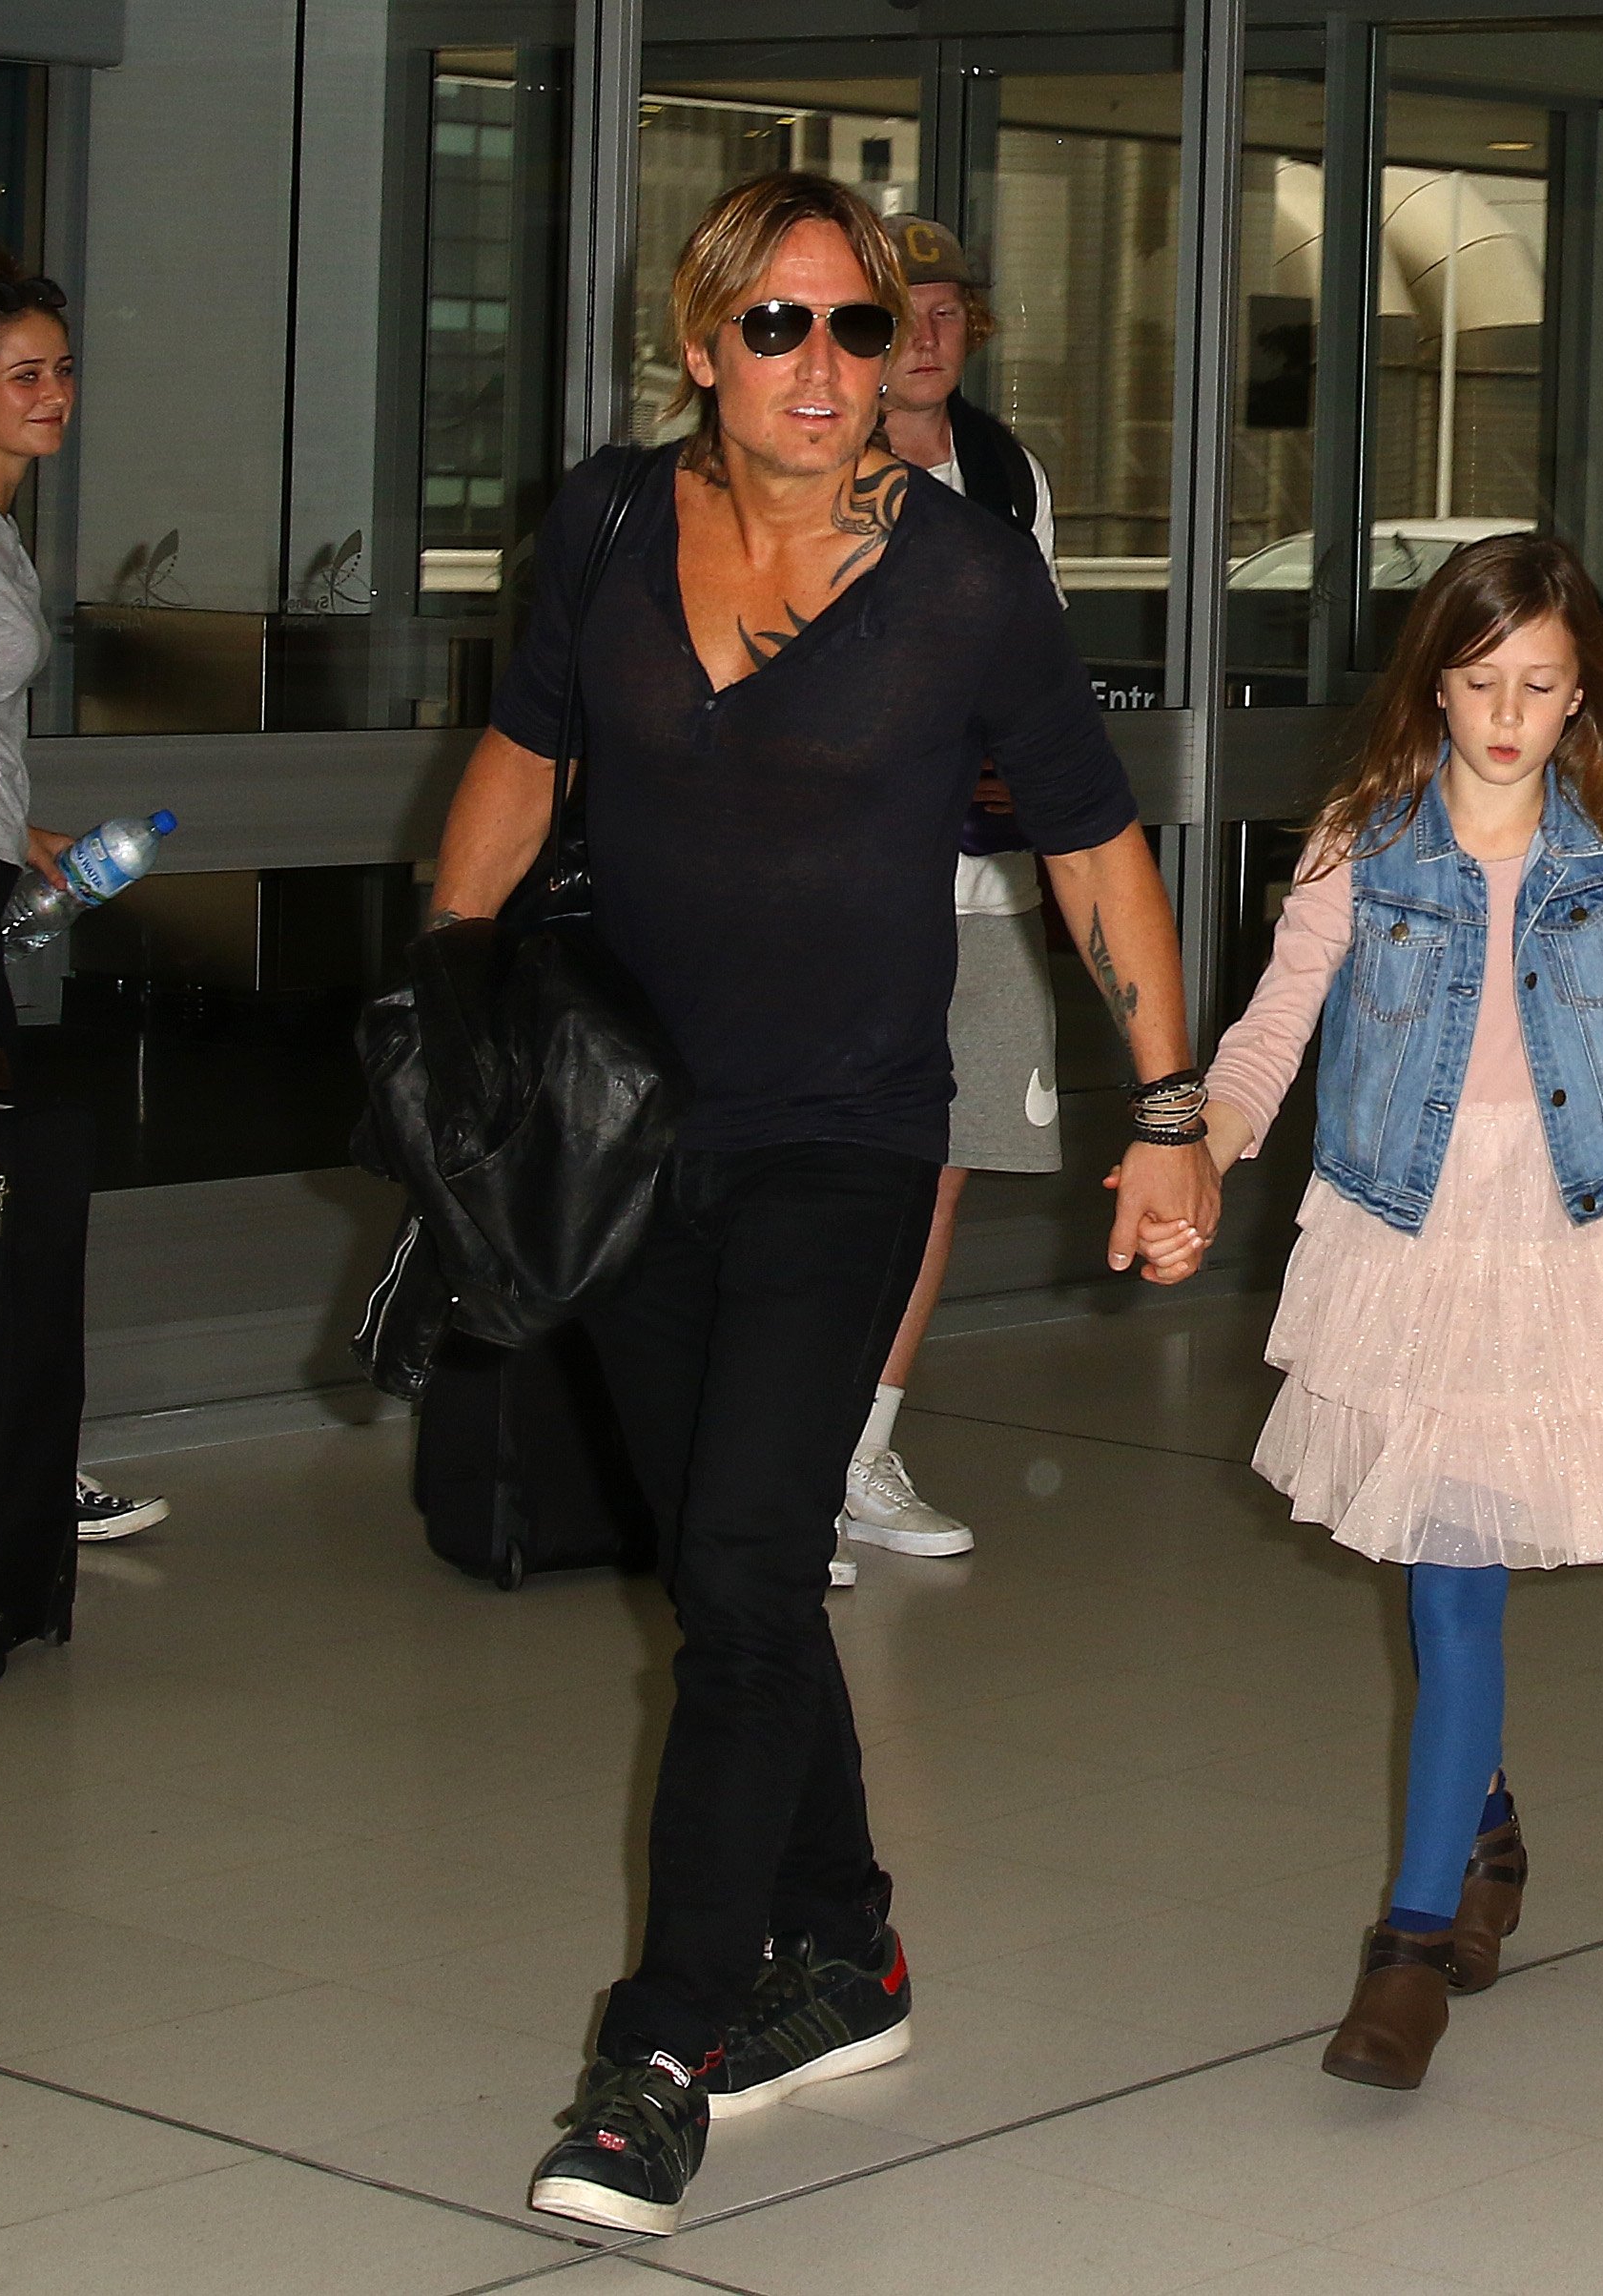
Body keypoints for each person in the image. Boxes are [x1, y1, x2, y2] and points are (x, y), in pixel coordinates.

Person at [423, 172, 1216, 2238]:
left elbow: (1095, 855)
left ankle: (660, 2042)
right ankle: (843, 1943)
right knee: (727, 1568)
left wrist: (1169, 1101)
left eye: (856, 329)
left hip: (842, 1139)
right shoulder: (602, 525)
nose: (823, 369)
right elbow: (522, 756)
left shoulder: (961, 583)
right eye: (775, 328)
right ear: (700, 344)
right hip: (619, 1135)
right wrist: (449, 983)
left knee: (756, 1569)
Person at [1141, 535, 1603, 2091]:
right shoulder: (1363, 837)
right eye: (1479, 682)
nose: (1505, 714)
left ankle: (1408, 1951)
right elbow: (1269, 1031)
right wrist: (1196, 1152)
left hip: (1546, 1237)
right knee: (1432, 1568)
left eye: (1540, 687)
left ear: (1578, 697)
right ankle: (1479, 1829)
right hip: (1396, 1230)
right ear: (1433, 680)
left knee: (1455, 1581)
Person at [826, 213, 1071, 1571]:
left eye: (945, 308)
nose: (924, 333)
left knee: (944, 1164)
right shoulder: (811, 458)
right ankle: (785, 1454)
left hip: (987, 882)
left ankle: (863, 1444)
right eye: (894, 307)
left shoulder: (1003, 470)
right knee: (829, 1163)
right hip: (846, 887)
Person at [0, 240, 168, 1546]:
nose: (54, 392)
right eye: (24, 372)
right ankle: (13, 1472)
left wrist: (19, 826)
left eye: (65, 369)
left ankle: (20, 1463)